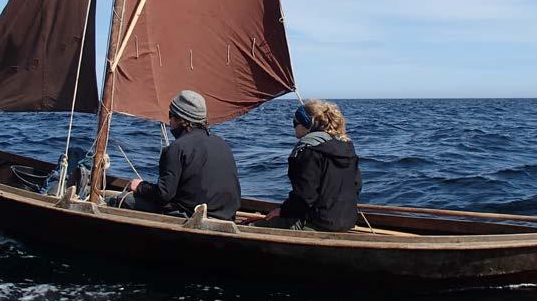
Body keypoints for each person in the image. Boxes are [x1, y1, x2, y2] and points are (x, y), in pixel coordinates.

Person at [114, 90, 241, 220]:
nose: (169, 121)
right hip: (227, 217)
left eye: (170, 115)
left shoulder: (177, 148)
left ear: (181, 119)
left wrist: (140, 186)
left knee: (124, 200)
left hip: (193, 217)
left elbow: (164, 194)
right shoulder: (223, 144)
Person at [254, 99, 361, 232]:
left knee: (253, 228)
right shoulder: (347, 148)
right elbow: (357, 187)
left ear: (307, 124)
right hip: (346, 222)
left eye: (295, 122)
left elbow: (305, 197)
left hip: (316, 224)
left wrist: (282, 211)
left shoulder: (308, 150)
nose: (293, 126)